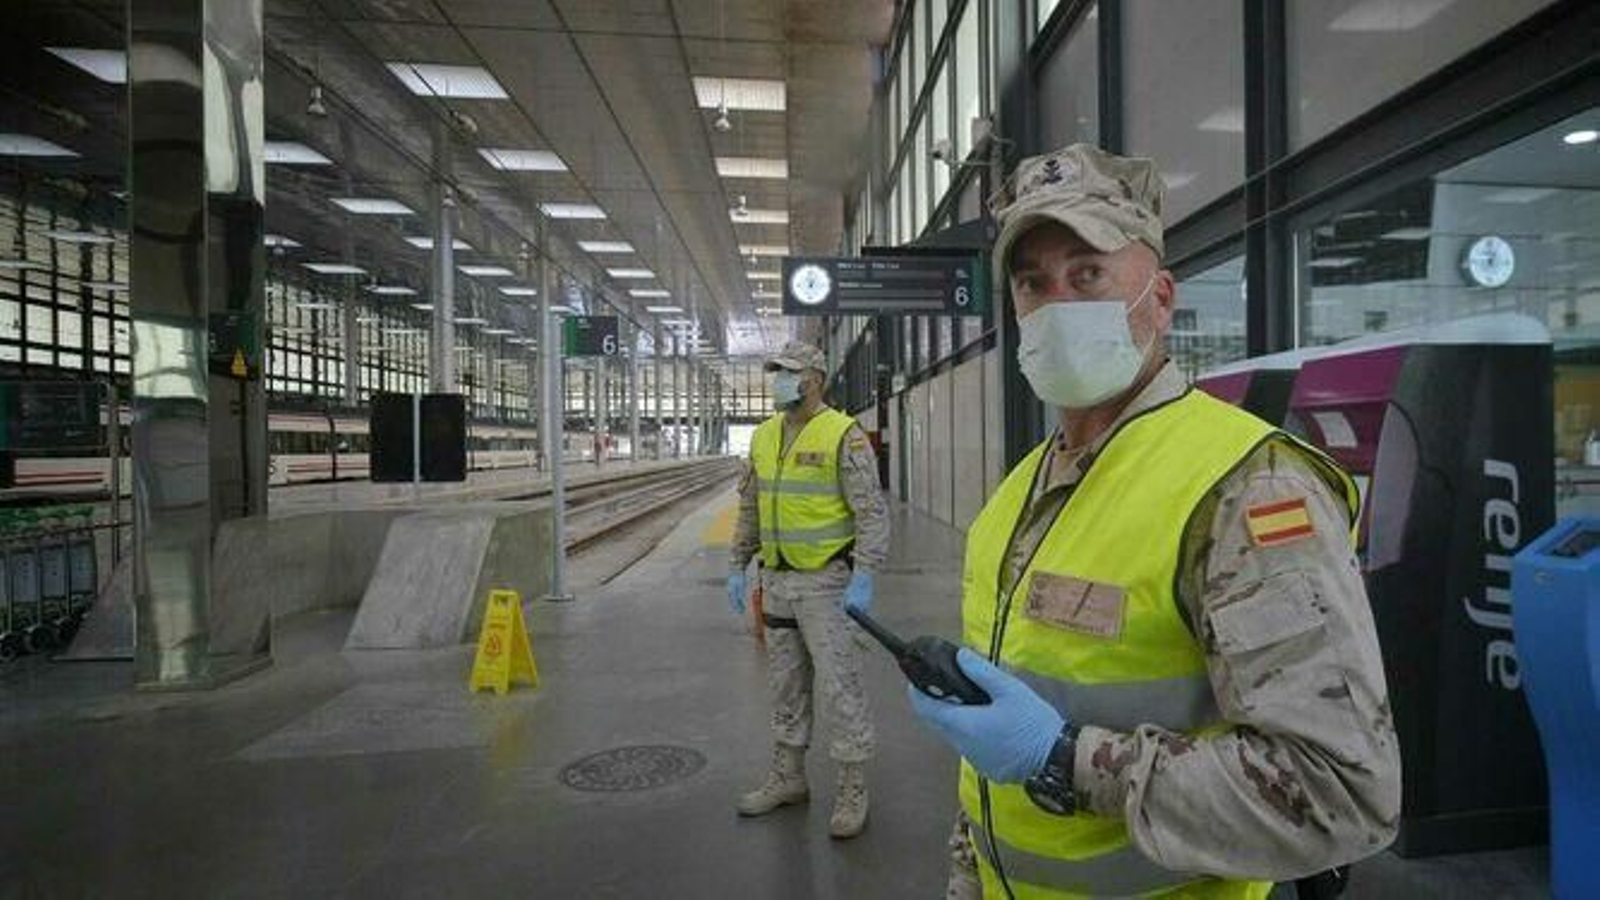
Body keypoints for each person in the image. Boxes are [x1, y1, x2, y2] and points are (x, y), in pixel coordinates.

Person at [907, 144, 1401, 898]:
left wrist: (1064, 759)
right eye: (1033, 283)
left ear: (1161, 299)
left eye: (1089, 273)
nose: (1057, 305)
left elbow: (1341, 792)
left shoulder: (1246, 488)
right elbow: (992, 756)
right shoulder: (1014, 497)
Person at [727, 341, 891, 839]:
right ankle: (789, 776)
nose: (779, 379)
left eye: (788, 372)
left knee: (841, 684)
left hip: (826, 582)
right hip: (775, 580)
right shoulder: (763, 436)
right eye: (775, 371)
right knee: (786, 684)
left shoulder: (844, 434)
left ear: (815, 378)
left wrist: (865, 574)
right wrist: (738, 563)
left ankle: (852, 785)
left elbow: (871, 512)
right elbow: (751, 507)